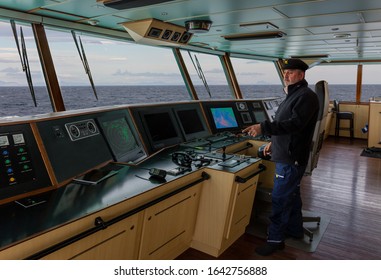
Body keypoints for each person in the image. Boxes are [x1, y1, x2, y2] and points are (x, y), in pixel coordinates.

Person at [243, 58, 319, 256]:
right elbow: (286, 124)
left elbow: (295, 125)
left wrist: (263, 128)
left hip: (291, 157)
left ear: (301, 75)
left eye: (290, 72)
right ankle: (294, 230)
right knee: (292, 195)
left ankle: (275, 240)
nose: (286, 75)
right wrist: (273, 142)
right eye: (284, 72)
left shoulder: (306, 96)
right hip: (287, 152)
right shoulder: (294, 94)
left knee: (279, 199)